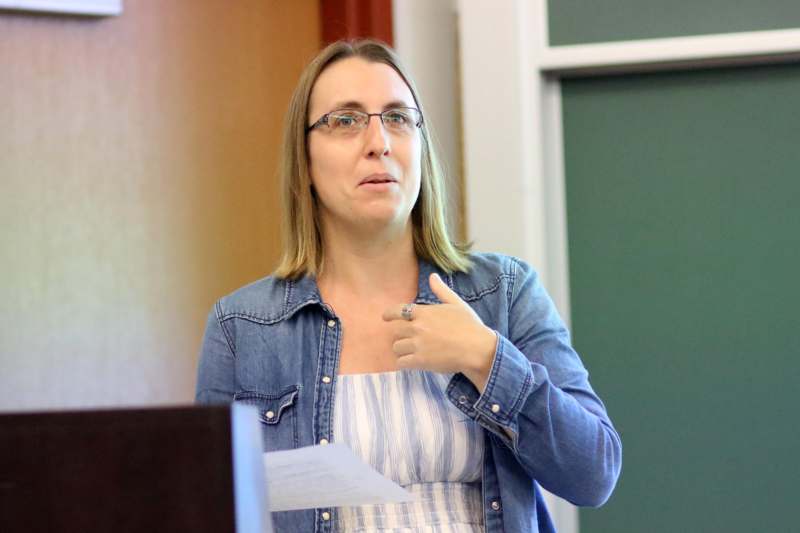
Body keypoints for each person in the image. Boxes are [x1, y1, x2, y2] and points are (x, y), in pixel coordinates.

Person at [196, 39, 621, 533]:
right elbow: (211, 509)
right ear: (305, 160)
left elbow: (594, 474)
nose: (379, 142)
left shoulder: (504, 291)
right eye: (346, 120)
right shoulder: (241, 326)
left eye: (398, 118)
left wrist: (486, 359)